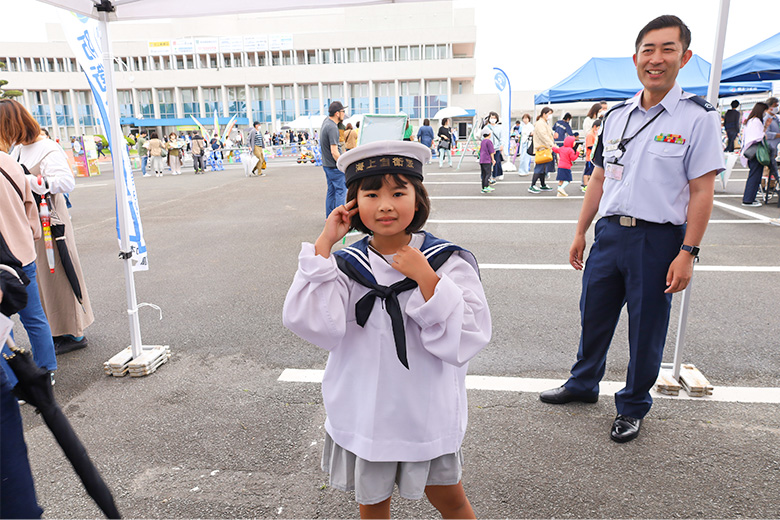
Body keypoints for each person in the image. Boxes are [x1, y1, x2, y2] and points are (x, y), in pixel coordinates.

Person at [539, 15, 724, 443]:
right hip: (610, 234)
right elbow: (600, 179)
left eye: (667, 50)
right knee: (594, 315)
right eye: (648, 50)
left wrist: (688, 252)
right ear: (636, 57)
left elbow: (701, 192)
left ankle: (633, 405)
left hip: (658, 240)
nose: (656, 59)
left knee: (647, 327)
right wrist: (581, 230)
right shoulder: (617, 115)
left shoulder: (697, 119)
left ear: (685, 57)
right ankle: (583, 384)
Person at [283, 139, 491, 519]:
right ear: (353, 203)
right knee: (373, 506)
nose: (385, 205)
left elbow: (469, 333)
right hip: (368, 412)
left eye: (399, 192)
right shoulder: (345, 265)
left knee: (451, 499)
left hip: (425, 410)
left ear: (418, 197)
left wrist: (426, 278)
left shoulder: (446, 261)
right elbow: (312, 322)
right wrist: (325, 242)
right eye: (371, 193)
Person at [1, 99, 95, 356]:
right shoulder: (19, 149)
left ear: (12, 126)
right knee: (43, 278)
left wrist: (28, 179)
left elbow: (66, 182)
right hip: (32, 222)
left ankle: (74, 332)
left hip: (51, 223)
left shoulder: (47, 148)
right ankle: (56, 331)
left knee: (60, 274)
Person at [0, 147, 56, 387]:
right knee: (34, 315)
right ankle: (47, 370)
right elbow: (29, 203)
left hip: (3, 258)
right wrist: (30, 232)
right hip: (22, 250)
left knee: (3, 325)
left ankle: (10, 381)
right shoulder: (8, 160)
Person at [320, 101, 348, 217]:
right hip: (334, 167)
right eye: (343, 111)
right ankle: (340, 219)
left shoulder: (326, 122)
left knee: (331, 192)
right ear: (337, 113)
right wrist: (345, 163)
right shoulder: (332, 127)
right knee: (341, 192)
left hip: (327, 165)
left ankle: (330, 218)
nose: (344, 114)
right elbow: (334, 151)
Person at [740, 102, 770, 207]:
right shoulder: (756, 121)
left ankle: (750, 198)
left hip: (751, 152)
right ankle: (748, 200)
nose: (766, 113)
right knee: (755, 176)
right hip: (756, 152)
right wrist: (765, 131)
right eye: (765, 111)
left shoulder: (751, 120)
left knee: (754, 175)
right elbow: (758, 136)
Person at [529, 107, 555, 193]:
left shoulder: (544, 123)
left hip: (545, 148)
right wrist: (552, 144)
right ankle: (532, 185)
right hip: (542, 148)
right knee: (539, 167)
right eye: (549, 114)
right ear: (544, 114)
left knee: (543, 168)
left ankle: (542, 184)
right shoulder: (540, 123)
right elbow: (543, 136)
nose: (550, 116)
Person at [762, 97, 779, 204]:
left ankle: (772, 186)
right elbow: (766, 134)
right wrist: (778, 135)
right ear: (770, 106)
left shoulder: (776, 118)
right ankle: (764, 186)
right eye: (776, 105)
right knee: (767, 168)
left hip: (776, 146)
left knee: (774, 168)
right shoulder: (766, 118)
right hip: (769, 146)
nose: (777, 108)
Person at [581, 119, 601, 192]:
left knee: (592, 173)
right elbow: (589, 145)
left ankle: (589, 185)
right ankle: (585, 186)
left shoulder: (595, 135)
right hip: (589, 158)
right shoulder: (590, 135)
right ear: (595, 127)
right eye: (598, 128)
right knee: (587, 172)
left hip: (593, 158)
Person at [485, 111, 504, 180]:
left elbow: (501, 137)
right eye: (491, 117)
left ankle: (494, 176)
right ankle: (489, 175)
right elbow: (483, 137)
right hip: (488, 148)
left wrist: (501, 145)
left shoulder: (499, 127)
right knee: (489, 163)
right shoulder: (486, 127)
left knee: (496, 162)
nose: (493, 119)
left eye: (494, 118)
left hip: (497, 147)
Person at [479, 128, 496, 193]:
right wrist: (493, 159)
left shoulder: (483, 141)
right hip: (487, 160)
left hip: (482, 160)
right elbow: (491, 151)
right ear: (489, 134)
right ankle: (486, 186)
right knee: (488, 174)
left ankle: (483, 187)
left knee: (483, 174)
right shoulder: (489, 141)